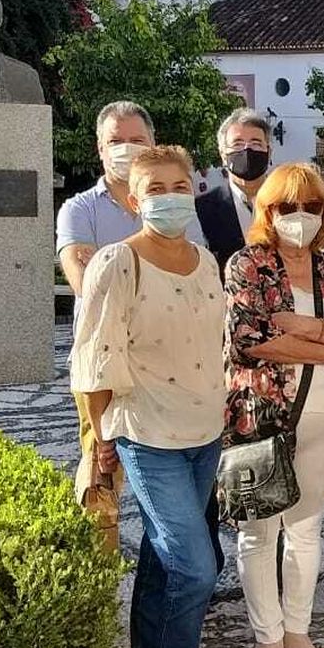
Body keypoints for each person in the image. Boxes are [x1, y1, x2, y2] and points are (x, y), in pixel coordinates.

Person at [69, 145, 223, 648]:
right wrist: (100, 437)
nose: (169, 195)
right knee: (196, 566)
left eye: (179, 184)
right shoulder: (116, 263)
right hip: (147, 436)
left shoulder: (207, 262)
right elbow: (92, 358)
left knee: (164, 563)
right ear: (135, 201)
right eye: (155, 187)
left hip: (204, 433)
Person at [225, 164, 324, 648]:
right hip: (263, 420)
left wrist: (308, 327)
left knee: (307, 532)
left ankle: (297, 634)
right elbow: (246, 340)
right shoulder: (248, 265)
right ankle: (267, 639)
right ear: (268, 212)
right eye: (289, 207)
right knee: (259, 533)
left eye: (312, 207)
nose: (301, 217)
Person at [56, 101, 216, 561]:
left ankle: (172, 586)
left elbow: (192, 272)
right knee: (102, 481)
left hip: (173, 378)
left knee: (171, 516)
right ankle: (103, 579)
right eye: (116, 141)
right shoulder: (79, 208)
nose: (127, 149)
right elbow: (81, 275)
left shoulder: (179, 208)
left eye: (136, 140)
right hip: (108, 371)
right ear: (100, 149)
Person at [195, 108, 275, 272]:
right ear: (223, 154)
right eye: (237, 143)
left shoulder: (289, 203)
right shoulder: (201, 209)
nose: (247, 150)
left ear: (269, 151)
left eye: (256, 143)